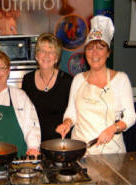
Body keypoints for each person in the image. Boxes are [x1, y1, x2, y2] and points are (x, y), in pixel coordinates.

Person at [56, 15, 136, 154]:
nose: (94, 53)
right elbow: (71, 112)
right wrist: (67, 123)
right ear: (85, 52)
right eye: (90, 48)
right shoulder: (78, 79)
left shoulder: (121, 80)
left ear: (108, 53)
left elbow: (130, 116)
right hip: (81, 150)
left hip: (112, 153)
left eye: (100, 48)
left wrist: (113, 129)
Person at [22, 33, 73, 142]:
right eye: (42, 51)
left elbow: (73, 113)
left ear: (57, 58)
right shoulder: (27, 80)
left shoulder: (67, 81)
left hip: (61, 142)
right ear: (36, 55)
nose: (46, 55)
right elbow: (24, 115)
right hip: (34, 143)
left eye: (51, 52)